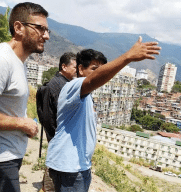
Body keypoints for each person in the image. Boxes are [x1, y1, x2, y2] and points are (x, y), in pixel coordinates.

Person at [46, 36, 161, 192]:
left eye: (102, 69)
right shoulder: (73, 86)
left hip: (80, 166)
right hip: (70, 168)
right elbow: (92, 81)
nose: (99, 73)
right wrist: (127, 57)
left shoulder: (86, 96)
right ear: (80, 69)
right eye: (95, 68)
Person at [0, 2, 50, 192]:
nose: (46, 36)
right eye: (40, 28)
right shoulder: (3, 60)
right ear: (18, 27)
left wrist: (24, 122)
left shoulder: (21, 63)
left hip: (11, 157)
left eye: (47, 30)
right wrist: (21, 124)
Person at [36, 52, 76, 192]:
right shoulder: (58, 85)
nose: (77, 70)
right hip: (57, 135)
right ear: (64, 67)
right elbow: (49, 116)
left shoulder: (62, 83)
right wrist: (56, 135)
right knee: (53, 168)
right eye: (75, 67)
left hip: (57, 135)